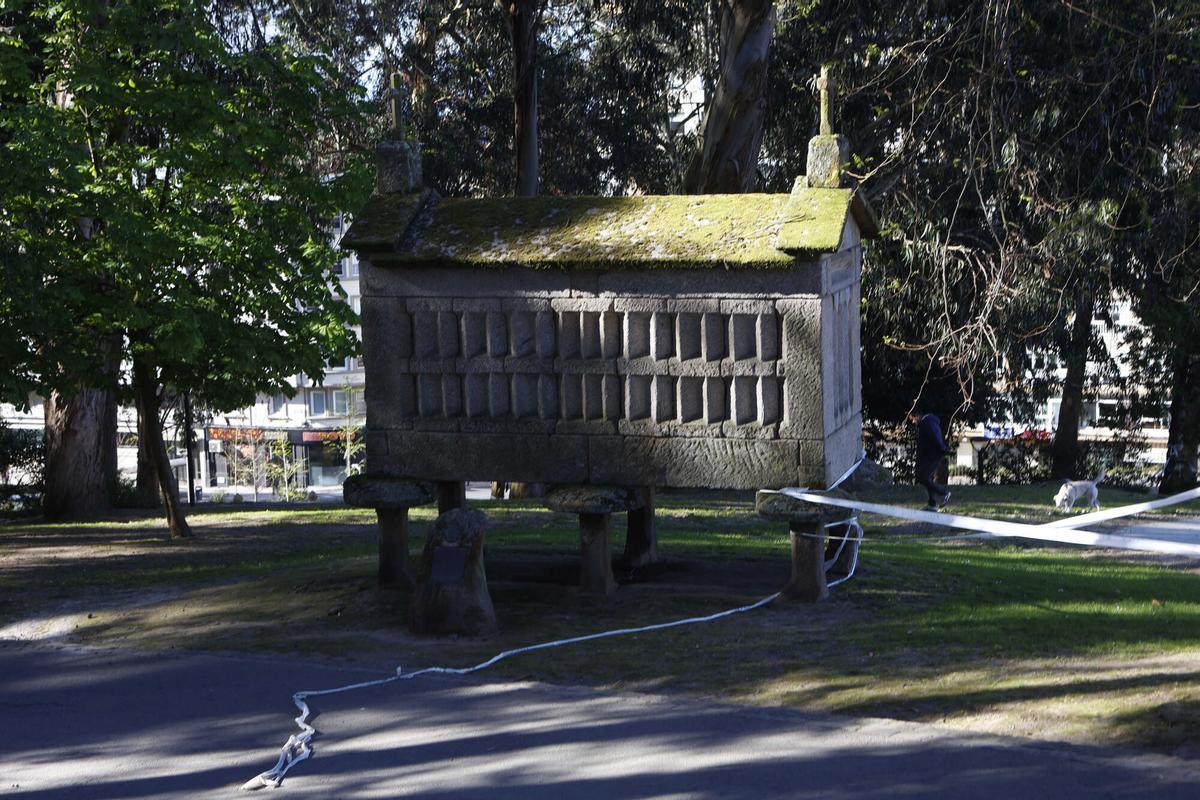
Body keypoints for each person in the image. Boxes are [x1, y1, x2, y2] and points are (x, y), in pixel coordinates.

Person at [908, 404, 952, 511]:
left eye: (913, 419)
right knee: (925, 478)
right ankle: (932, 504)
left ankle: (944, 493)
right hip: (928, 455)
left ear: (918, 416)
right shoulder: (925, 423)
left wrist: (943, 449)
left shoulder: (928, 423)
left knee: (923, 477)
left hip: (933, 455)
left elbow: (936, 437)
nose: (913, 422)